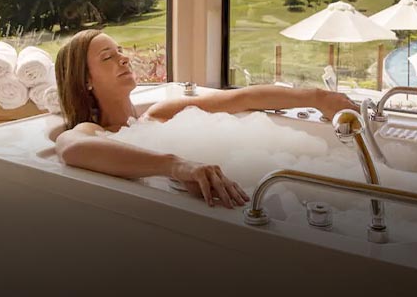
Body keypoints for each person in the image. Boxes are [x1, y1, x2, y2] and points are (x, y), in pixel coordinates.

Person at [52, 30, 359, 209]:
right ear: (86, 81)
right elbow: (71, 148)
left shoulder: (157, 115)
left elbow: (245, 98)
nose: (123, 58)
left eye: (120, 51)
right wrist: (177, 165)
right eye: (108, 57)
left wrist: (317, 98)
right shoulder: (94, 131)